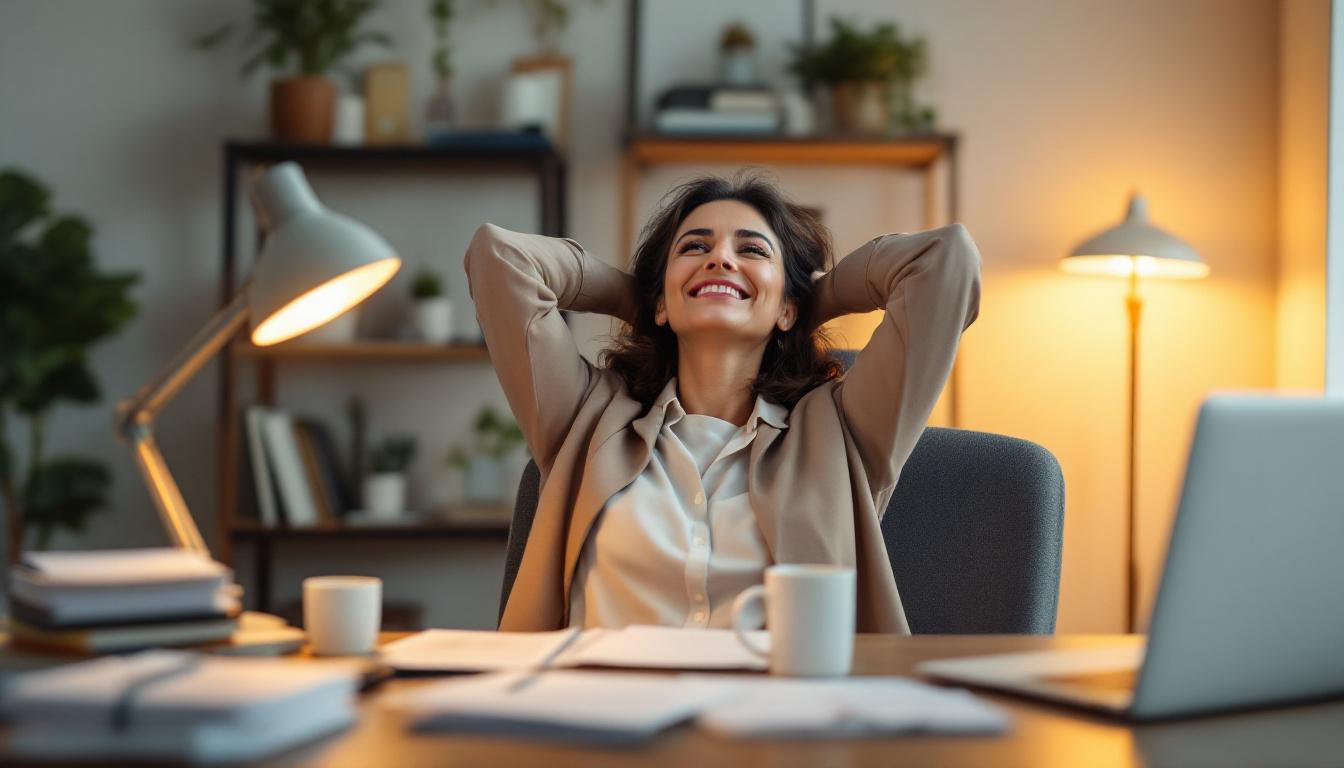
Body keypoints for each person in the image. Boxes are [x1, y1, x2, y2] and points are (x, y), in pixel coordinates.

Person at [465, 173, 981, 633]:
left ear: (788, 311)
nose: (721, 257)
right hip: (599, 723)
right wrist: (646, 300)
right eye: (694, 247)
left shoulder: (840, 430)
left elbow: (943, 260)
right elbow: (500, 259)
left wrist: (801, 302)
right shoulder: (586, 417)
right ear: (660, 304)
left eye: (753, 250)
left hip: (776, 725)